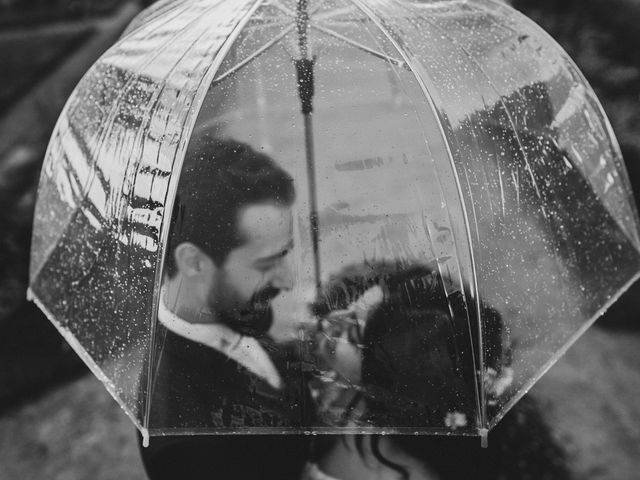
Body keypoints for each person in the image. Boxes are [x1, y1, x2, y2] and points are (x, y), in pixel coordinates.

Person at [139, 138, 313, 480]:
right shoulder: (188, 446)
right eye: (267, 263)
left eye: (286, 252)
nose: (289, 282)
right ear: (194, 262)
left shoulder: (232, 309)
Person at [304, 264, 570, 480]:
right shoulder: (371, 402)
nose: (331, 319)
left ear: (395, 375)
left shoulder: (373, 459)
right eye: (350, 308)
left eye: (352, 335)